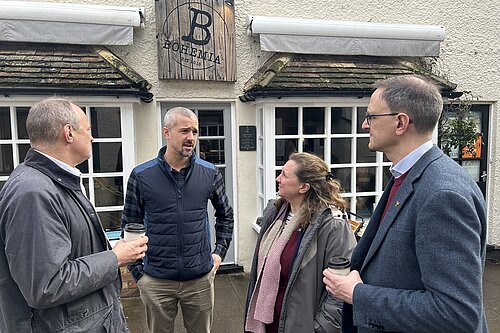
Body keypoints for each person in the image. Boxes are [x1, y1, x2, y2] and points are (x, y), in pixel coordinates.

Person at [323, 75, 488, 332]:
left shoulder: (443, 194)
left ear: (400, 123)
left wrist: (358, 294)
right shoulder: (408, 175)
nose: (364, 125)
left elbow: (456, 313)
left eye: (371, 117)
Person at [0, 97, 148, 332]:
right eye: (88, 129)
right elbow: (46, 285)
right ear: (69, 133)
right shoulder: (33, 192)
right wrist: (115, 257)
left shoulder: (55, 181)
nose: (92, 137)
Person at [121, 107, 234, 333]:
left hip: (199, 280)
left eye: (194, 131)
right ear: (167, 132)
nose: (191, 137)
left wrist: (219, 253)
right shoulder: (142, 175)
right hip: (156, 281)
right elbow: (130, 225)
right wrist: (138, 274)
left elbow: (225, 215)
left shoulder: (209, 173)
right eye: (184, 131)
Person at [245, 152, 357, 333]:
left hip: (299, 324)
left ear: (304, 187)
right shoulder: (274, 214)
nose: (277, 178)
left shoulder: (333, 226)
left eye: (285, 175)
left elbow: (341, 290)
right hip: (265, 322)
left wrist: (320, 328)